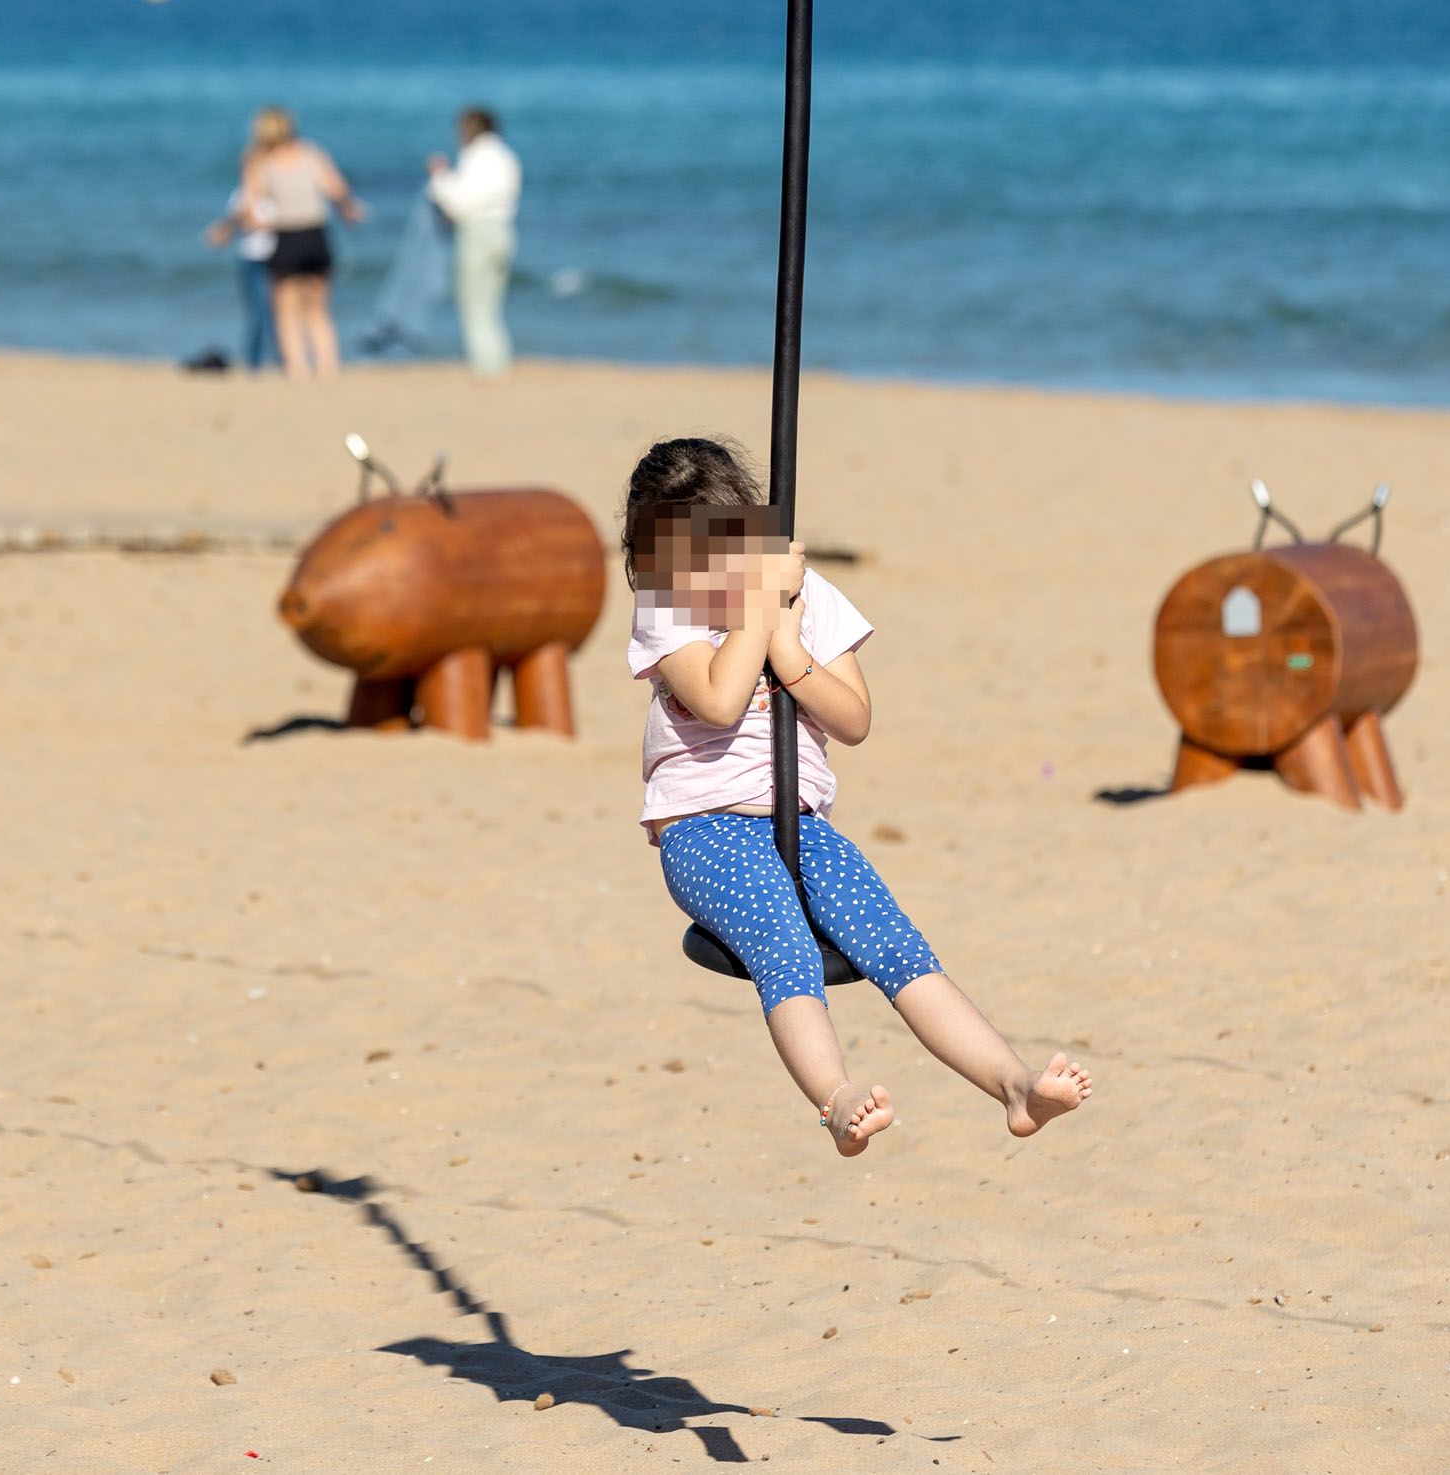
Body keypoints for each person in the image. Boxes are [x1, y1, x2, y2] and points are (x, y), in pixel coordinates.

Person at [623, 439, 1093, 1155]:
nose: (702, 578)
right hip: (704, 829)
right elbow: (718, 701)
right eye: (682, 565)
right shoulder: (668, 614)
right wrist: (758, 611)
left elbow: (854, 720)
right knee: (784, 943)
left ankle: (1014, 1085)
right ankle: (836, 1099)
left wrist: (790, 651)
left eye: (719, 553)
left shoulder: (810, 604)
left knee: (895, 943)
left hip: (800, 825)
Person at [240, 106, 364, 380]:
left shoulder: (260, 160)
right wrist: (350, 211)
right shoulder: (311, 153)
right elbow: (338, 190)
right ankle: (328, 366)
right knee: (318, 309)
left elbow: (251, 207)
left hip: (286, 236)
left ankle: (297, 369)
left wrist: (248, 223)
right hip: (316, 234)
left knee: (286, 310)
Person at [426, 106, 521, 378]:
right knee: (492, 303)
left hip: (477, 231)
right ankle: (498, 360)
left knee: (474, 302)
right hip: (504, 230)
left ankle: (485, 366)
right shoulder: (506, 156)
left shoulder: (475, 156)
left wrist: (440, 178)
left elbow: (461, 203)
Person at [203, 159, 278, 371]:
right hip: (250, 258)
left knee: (276, 312)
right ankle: (254, 363)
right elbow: (234, 224)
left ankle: (283, 360)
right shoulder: (241, 196)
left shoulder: (276, 193)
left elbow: (269, 222)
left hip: (277, 257)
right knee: (257, 312)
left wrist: (245, 219)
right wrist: (221, 232)